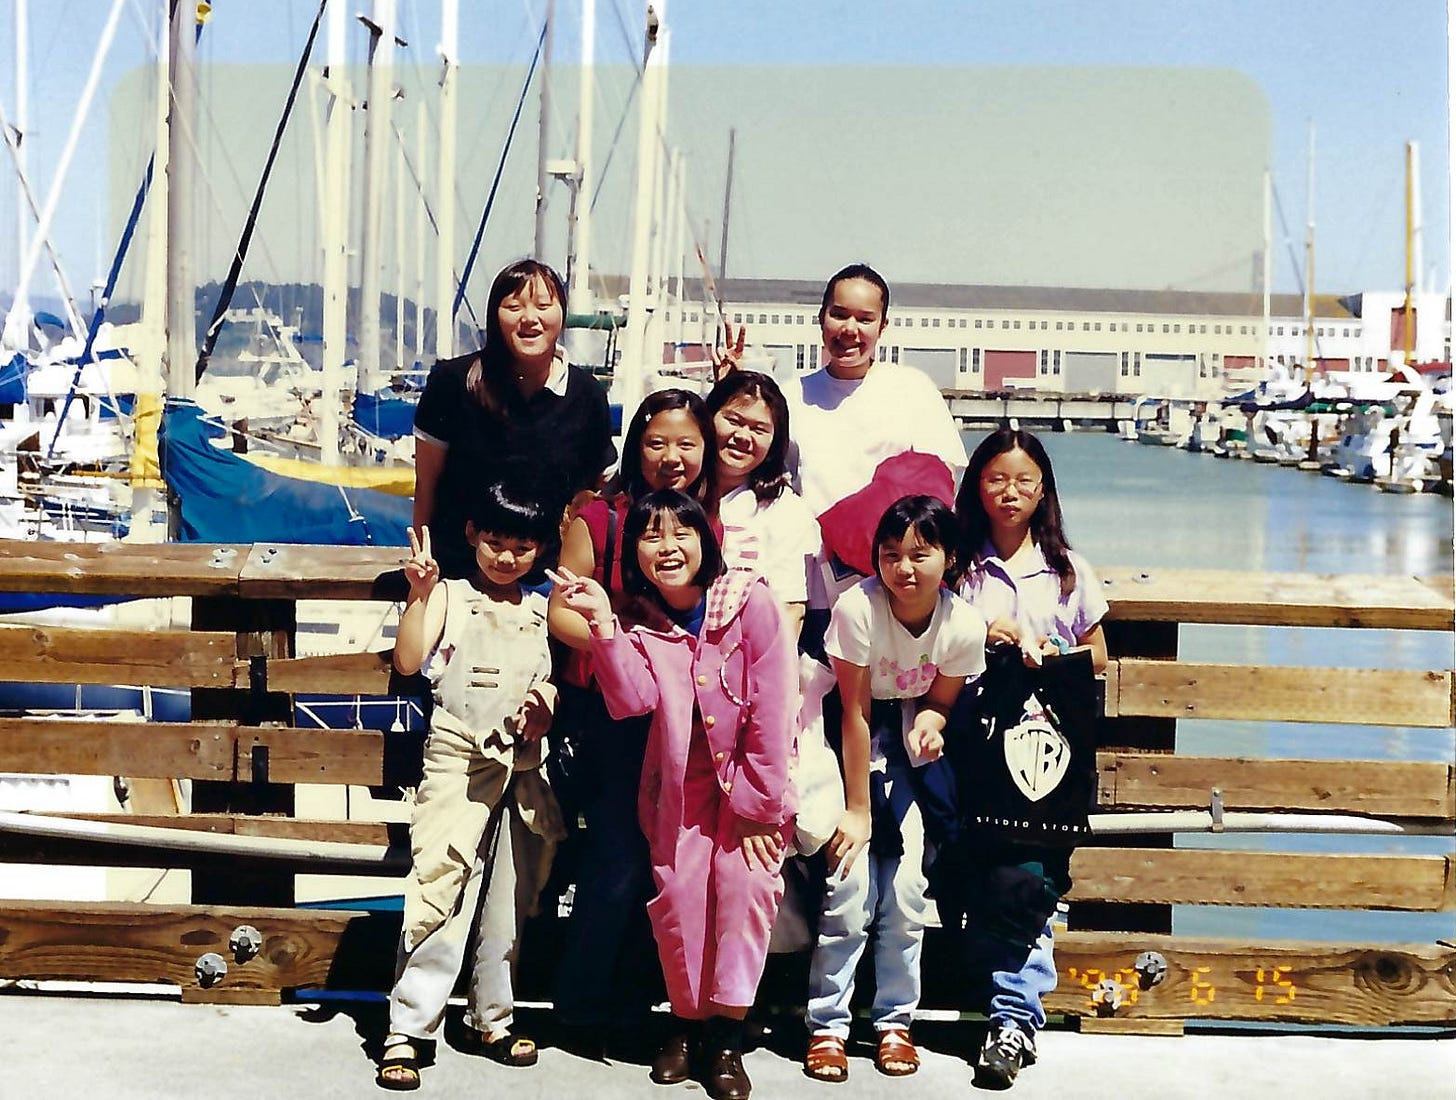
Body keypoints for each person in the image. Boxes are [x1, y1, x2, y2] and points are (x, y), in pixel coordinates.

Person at [552, 490, 797, 1100]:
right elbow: (631, 698)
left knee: (745, 891)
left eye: (681, 532)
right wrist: (605, 628)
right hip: (678, 794)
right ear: (634, 552)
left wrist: (760, 808)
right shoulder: (641, 625)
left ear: (705, 541)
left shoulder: (751, 603)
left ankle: (727, 1038)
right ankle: (685, 1027)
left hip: (749, 790)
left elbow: (773, 709)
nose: (668, 547)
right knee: (680, 901)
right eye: (651, 536)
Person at [377, 481, 564, 1092]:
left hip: (523, 765)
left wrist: (543, 706)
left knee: (511, 898)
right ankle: (408, 1027)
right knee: (440, 885)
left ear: (539, 549)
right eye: (494, 543)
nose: (506, 558)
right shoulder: (449, 595)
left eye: (520, 547)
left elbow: (552, 679)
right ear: (471, 537)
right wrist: (418, 594)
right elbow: (409, 662)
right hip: (457, 760)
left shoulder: (543, 609)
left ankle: (494, 1016)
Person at [545, 388, 718, 1049]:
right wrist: (623, 644)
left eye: (686, 443)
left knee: (671, 858)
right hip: (609, 714)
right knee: (618, 857)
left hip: (683, 718)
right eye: (656, 442)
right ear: (634, 445)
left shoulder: (705, 517)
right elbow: (561, 612)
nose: (670, 457)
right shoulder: (602, 517)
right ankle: (583, 1003)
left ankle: (652, 1000)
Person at [803, 496, 986, 1084]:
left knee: (906, 892)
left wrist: (932, 719)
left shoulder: (963, 624)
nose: (904, 568)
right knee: (848, 885)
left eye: (920, 554)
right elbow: (852, 712)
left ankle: (894, 1020)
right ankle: (828, 1025)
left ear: (948, 558)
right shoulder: (858, 607)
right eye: (890, 555)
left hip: (906, 747)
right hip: (841, 738)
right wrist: (856, 811)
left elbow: (942, 697)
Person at [949, 427, 1108, 1089]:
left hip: (1039, 759)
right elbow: (924, 629)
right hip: (965, 746)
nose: (1009, 493)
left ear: (1043, 489)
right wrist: (980, 632)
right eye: (995, 479)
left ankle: (1013, 1018)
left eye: (1024, 481)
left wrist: (1049, 649)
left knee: (1027, 881)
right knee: (969, 876)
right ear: (976, 485)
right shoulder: (956, 561)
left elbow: (1099, 654)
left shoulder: (1067, 567)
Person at [413, 259, 616, 578]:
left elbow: (600, 489)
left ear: (561, 313)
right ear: (495, 315)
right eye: (514, 306)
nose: (530, 318)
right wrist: (424, 561)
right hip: (457, 574)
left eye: (543, 305)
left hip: (549, 580)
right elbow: (427, 482)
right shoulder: (452, 383)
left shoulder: (586, 395)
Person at [705, 370, 820, 635]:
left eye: (759, 429)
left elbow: (790, 612)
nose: (743, 436)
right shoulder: (678, 491)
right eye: (733, 420)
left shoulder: (787, 512)